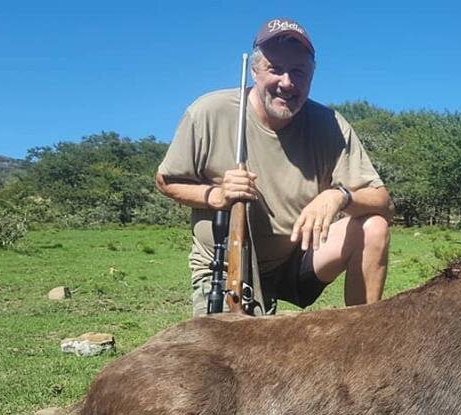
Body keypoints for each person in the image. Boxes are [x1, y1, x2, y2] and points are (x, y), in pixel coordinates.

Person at [156, 17, 393, 316]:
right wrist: (214, 196)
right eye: (275, 69)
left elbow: (383, 202)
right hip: (227, 267)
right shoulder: (208, 112)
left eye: (298, 72)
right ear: (254, 70)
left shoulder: (330, 125)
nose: (287, 83)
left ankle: (363, 340)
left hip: (294, 261)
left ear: (312, 76)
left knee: (374, 226)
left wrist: (338, 196)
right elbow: (165, 180)